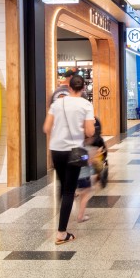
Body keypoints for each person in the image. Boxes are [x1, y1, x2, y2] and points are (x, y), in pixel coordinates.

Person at [43, 74, 95, 245]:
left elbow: (46, 127)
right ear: (83, 88)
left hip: (56, 149)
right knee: (69, 190)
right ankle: (61, 232)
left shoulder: (57, 103)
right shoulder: (86, 105)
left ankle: (61, 219)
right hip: (75, 151)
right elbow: (89, 132)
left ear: (69, 87)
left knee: (62, 185)